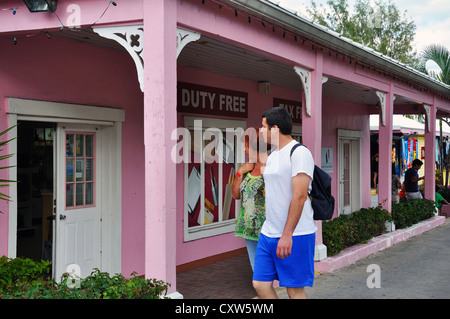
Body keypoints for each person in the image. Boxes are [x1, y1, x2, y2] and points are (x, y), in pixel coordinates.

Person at [252, 107, 316, 299]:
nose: (260, 130)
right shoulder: (272, 156)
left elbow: (300, 196)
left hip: (296, 234)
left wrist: (287, 235)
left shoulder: (299, 153)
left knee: (294, 290)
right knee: (260, 284)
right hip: (268, 232)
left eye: (263, 127)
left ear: (275, 128)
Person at [232, 128, 267, 271]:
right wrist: (240, 173)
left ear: (254, 147)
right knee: (257, 272)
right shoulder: (249, 168)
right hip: (249, 229)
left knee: (267, 273)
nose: (245, 151)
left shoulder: (270, 166)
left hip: (266, 229)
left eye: (246, 146)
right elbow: (235, 195)